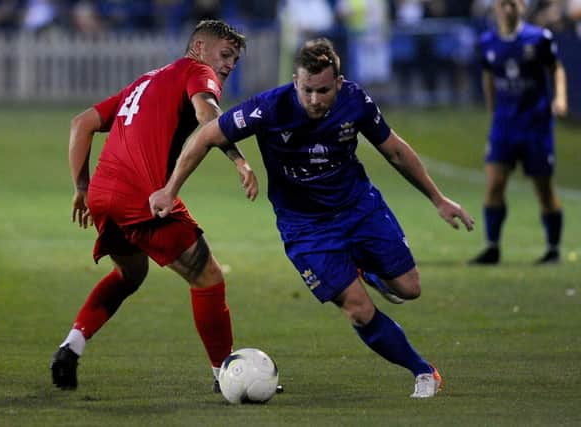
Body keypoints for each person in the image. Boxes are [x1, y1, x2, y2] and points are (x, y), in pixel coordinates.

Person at [150, 38, 475, 398]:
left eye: (323, 90)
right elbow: (205, 137)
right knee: (357, 309)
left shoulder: (356, 101)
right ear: (295, 82)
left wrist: (438, 199)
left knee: (409, 289)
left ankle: (368, 271)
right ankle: (423, 371)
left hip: (359, 208)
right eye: (307, 90)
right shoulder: (269, 108)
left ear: (338, 83)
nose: (315, 100)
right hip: (306, 228)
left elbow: (395, 151)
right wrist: (170, 189)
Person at [51, 20, 255, 392]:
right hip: (138, 197)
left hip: (103, 195)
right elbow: (208, 116)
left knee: (131, 274)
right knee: (207, 276)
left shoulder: (145, 81)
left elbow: (81, 123)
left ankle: (71, 347)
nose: (228, 65)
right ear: (198, 48)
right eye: (224, 55)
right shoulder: (197, 71)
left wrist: (81, 187)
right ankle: (225, 376)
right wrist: (239, 160)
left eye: (234, 61)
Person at [469, 0, 567, 265]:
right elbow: (488, 77)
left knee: (543, 189)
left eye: (513, 4)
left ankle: (553, 248)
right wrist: (493, 113)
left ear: (522, 7)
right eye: (503, 5)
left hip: (535, 124)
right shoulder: (487, 41)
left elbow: (556, 68)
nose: (508, 10)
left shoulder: (539, 38)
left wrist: (560, 98)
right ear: (496, 9)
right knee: (495, 183)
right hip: (504, 126)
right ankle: (492, 247)